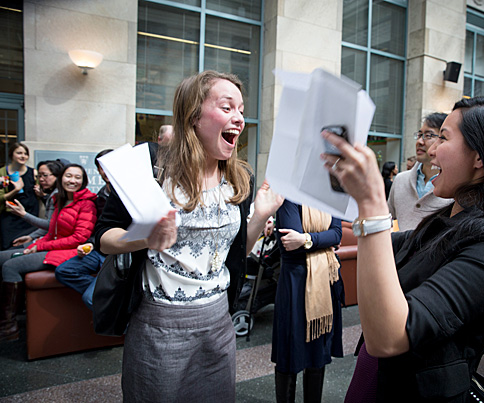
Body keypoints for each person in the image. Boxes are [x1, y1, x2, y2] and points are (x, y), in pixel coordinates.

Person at [322, 93, 484, 402]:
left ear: (480, 158)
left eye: (443, 138)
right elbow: (385, 246)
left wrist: (373, 205)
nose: (431, 150)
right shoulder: (448, 222)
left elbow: (390, 337)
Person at [94, 71, 282, 402]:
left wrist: (261, 216)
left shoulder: (240, 178)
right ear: (193, 115)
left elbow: (236, 253)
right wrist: (144, 238)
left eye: (241, 110)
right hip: (160, 328)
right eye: (227, 107)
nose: (239, 118)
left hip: (219, 324)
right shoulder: (151, 165)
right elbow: (103, 237)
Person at [0, 164, 97, 342]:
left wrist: (40, 247)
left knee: (11, 266)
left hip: (68, 252)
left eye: (77, 177)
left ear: (84, 181)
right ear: (61, 178)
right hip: (54, 247)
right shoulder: (59, 200)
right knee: (2, 257)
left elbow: (79, 238)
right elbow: (51, 232)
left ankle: (8, 326)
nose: (72, 180)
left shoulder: (87, 204)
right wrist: (35, 244)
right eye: (68, 176)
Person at [272, 199, 344, 403]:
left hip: (324, 281)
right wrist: (323, 240)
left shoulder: (329, 196)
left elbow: (337, 234)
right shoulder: (289, 197)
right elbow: (290, 244)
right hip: (295, 283)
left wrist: (306, 239)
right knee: (289, 350)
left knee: (317, 351)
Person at [55, 149, 113, 309]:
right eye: (102, 167)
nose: (106, 170)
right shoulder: (99, 197)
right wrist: (90, 244)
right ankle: (113, 295)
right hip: (98, 250)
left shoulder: (130, 194)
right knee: (64, 271)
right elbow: (97, 228)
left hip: (118, 254)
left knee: (91, 298)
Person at [387, 113, 452, 231]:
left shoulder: (453, 186)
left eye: (428, 135)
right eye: (419, 135)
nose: (420, 142)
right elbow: (386, 219)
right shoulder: (401, 180)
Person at [7, 160, 63, 248]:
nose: (41, 179)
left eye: (45, 175)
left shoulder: (57, 195)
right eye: (39, 176)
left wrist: (23, 214)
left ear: (57, 176)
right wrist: (31, 237)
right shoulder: (53, 193)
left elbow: (50, 225)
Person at [0, 143, 40, 250]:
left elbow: (42, 194)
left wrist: (40, 192)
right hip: (10, 216)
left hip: (29, 216)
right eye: (19, 153)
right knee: (7, 245)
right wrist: (16, 190)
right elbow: (1, 197)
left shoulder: (34, 173)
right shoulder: (3, 173)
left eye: (25, 154)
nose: (23, 156)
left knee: (25, 247)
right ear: (11, 154)